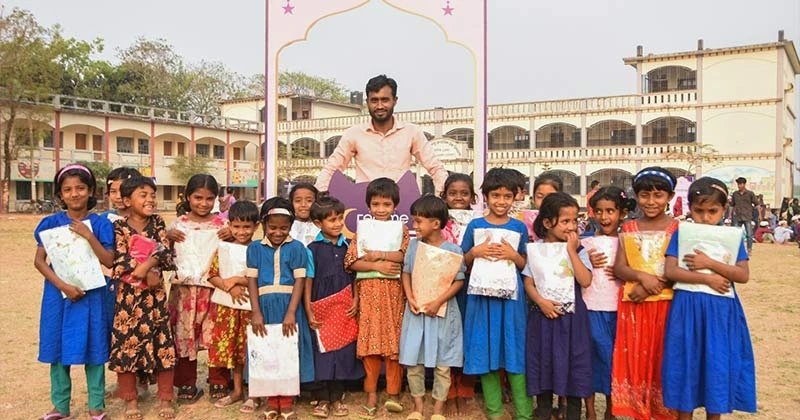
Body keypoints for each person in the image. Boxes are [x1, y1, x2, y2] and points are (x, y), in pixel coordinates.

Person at [662, 177, 757, 419]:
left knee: (716, 364)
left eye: (713, 211)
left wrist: (710, 264)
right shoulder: (681, 234)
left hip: (720, 311)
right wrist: (707, 278)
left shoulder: (732, 238)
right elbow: (671, 271)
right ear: (690, 209)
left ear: (724, 209)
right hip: (687, 309)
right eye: (699, 210)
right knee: (687, 363)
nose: (705, 217)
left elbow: (742, 274)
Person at [34, 164, 115, 420]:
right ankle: (60, 405)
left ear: (90, 190)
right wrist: (64, 286)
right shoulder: (50, 223)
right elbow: (39, 261)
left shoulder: (101, 224)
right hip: (59, 296)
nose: (75, 194)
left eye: (80, 188)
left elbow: (110, 260)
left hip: (92, 296)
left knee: (94, 346)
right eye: (68, 189)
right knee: (57, 348)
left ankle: (96, 406)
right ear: (60, 194)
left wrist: (88, 235)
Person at [461, 168, 533, 420]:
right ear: (485, 196)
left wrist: (514, 256)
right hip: (481, 300)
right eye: (495, 195)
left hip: (512, 301)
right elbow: (460, 260)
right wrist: (475, 252)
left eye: (506, 196)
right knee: (484, 350)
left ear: (515, 198)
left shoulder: (519, 227)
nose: (501, 201)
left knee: (515, 351)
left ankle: (524, 413)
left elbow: (528, 265)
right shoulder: (475, 225)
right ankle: (494, 412)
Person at [611, 167, 679, 420]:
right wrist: (641, 278)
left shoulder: (678, 229)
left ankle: (663, 410)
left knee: (662, 357)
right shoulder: (628, 228)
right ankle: (638, 409)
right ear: (636, 196)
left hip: (667, 305)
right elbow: (620, 267)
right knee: (636, 356)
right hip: (634, 303)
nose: (651, 202)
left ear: (670, 197)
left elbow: (680, 268)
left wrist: (655, 284)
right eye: (644, 195)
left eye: (658, 195)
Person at [109, 175, 177, 419]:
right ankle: (130, 399)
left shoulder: (158, 223)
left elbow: (166, 253)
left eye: (152, 194)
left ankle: (166, 398)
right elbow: (118, 257)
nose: (150, 199)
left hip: (155, 298)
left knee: (163, 347)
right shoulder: (118, 227)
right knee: (127, 347)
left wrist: (147, 266)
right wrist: (141, 271)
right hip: (128, 300)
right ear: (127, 200)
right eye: (143, 195)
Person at [314, 75, 448, 195]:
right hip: (365, 206)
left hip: (401, 206)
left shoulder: (412, 132)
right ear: (367, 102)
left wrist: (446, 194)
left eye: (385, 100)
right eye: (374, 100)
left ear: (395, 100)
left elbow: (434, 166)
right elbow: (333, 167)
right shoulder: (354, 134)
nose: (379, 106)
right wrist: (319, 193)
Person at [344, 178, 410, 418]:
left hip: (394, 294)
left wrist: (381, 255)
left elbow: (404, 257)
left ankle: (393, 393)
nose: (381, 209)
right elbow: (351, 262)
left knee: (394, 344)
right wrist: (378, 266)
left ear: (395, 206)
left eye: (386, 204)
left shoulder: (401, 230)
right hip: (369, 293)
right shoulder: (362, 229)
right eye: (376, 204)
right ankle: (370, 392)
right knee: (370, 343)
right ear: (368, 206)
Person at [523, 192, 592, 420]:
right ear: (547, 223)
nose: (571, 227)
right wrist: (541, 302)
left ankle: (573, 412)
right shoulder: (537, 250)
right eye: (565, 221)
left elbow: (585, 280)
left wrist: (571, 251)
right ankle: (543, 409)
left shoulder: (579, 250)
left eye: (575, 220)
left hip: (572, 318)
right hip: (543, 316)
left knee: (573, 361)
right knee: (542, 359)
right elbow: (528, 281)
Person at [400, 195, 467, 420]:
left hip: (443, 314)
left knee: (443, 365)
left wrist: (439, 302)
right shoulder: (413, 246)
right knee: (413, 362)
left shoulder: (454, 251)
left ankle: (438, 410)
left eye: (418, 221)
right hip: (416, 312)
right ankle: (418, 408)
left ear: (436, 224)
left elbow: (459, 280)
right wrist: (409, 297)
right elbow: (406, 272)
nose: (414, 226)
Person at [247, 197, 315, 420]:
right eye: (273, 227)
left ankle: (286, 403)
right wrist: (256, 311)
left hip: (289, 305)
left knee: (287, 352)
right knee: (267, 352)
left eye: (284, 228)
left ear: (291, 226)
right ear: (264, 224)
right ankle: (271, 403)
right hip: (264, 306)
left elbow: (300, 282)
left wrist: (291, 312)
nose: (278, 232)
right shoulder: (254, 248)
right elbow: (252, 282)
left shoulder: (298, 248)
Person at [166, 174, 230, 404]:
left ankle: (219, 381)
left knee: (215, 334)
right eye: (197, 197)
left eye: (209, 198)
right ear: (187, 197)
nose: (203, 203)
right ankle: (186, 383)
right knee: (184, 335)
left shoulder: (223, 225)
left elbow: (234, 249)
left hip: (213, 289)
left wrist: (231, 235)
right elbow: (163, 252)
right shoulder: (177, 225)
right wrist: (167, 237)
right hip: (184, 291)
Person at [303, 197, 365, 418]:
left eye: (340, 218)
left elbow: (356, 275)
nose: (338, 223)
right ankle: (322, 397)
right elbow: (308, 280)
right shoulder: (311, 249)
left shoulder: (350, 245)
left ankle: (338, 397)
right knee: (321, 350)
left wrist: (356, 300)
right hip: (320, 305)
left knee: (343, 350)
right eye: (332, 220)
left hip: (345, 304)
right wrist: (309, 309)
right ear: (319, 224)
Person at [582, 186, 633, 420]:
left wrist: (624, 271)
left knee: (615, 362)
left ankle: (611, 409)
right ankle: (590, 411)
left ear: (621, 213)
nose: (604, 217)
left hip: (619, 310)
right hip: (590, 309)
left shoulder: (629, 242)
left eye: (610, 211)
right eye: (599, 211)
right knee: (589, 361)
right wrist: (586, 259)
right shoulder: (586, 243)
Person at [207, 201, 259, 410]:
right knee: (235, 353)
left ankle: (254, 394)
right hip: (227, 310)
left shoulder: (258, 249)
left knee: (251, 350)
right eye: (236, 227)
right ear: (229, 225)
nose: (241, 232)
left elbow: (261, 278)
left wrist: (237, 280)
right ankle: (237, 391)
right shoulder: (224, 249)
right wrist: (228, 287)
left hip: (250, 309)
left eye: (247, 227)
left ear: (256, 226)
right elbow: (212, 275)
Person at [440, 173, 478, 417]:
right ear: (444, 196)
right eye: (453, 193)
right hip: (446, 286)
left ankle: (465, 391)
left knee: (468, 337)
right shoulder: (439, 222)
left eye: (464, 193)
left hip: (474, 286)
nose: (458, 197)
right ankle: (446, 390)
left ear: (473, 197)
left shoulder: (479, 222)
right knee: (447, 337)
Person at [731, 177, 757, 253]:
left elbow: (757, 204)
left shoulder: (750, 193)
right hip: (737, 216)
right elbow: (732, 205)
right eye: (738, 184)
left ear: (744, 184)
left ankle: (749, 249)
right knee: (736, 234)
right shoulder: (735, 194)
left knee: (749, 234)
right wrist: (730, 215)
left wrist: (757, 214)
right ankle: (736, 249)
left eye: (740, 184)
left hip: (747, 216)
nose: (739, 186)